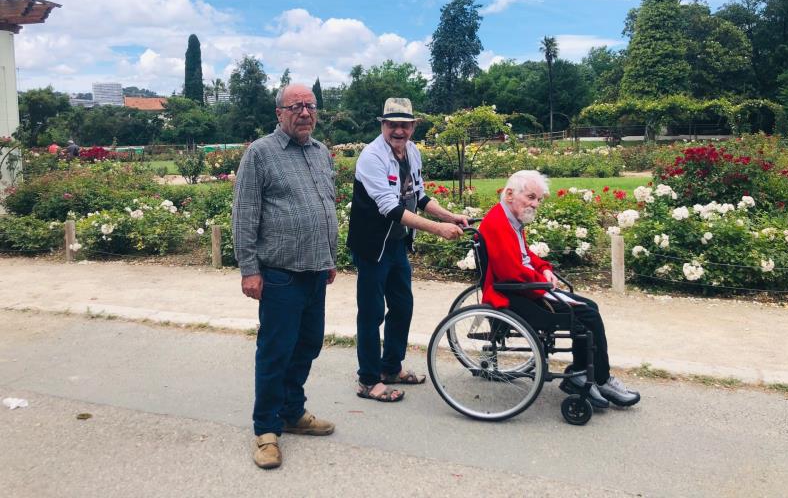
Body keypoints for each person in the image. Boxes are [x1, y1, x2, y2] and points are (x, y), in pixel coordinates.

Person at [232, 83, 338, 470]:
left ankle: (292, 412)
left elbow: (325, 205)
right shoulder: (261, 153)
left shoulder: (320, 152)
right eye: (296, 107)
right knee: (275, 352)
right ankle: (266, 430)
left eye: (310, 106)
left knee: (308, 345)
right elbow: (244, 213)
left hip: (315, 270)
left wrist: (329, 257)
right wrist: (249, 269)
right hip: (279, 274)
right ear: (279, 113)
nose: (305, 113)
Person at [478, 170, 640, 409]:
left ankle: (587, 375)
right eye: (531, 197)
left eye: (538, 199)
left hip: (524, 286)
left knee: (589, 309)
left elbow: (524, 256)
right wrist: (542, 282)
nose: (535, 204)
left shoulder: (510, 218)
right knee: (587, 314)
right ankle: (595, 378)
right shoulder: (499, 223)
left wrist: (544, 268)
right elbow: (511, 271)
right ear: (509, 194)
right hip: (515, 292)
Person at [347, 97, 469, 403]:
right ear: (383, 125)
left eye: (405, 125)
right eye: (392, 124)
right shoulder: (371, 157)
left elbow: (420, 196)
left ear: (413, 126)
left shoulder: (412, 152)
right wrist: (438, 229)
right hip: (372, 245)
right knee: (372, 312)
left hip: (397, 243)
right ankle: (368, 379)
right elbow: (390, 207)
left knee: (402, 306)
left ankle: (391, 367)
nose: (398, 131)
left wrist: (449, 216)